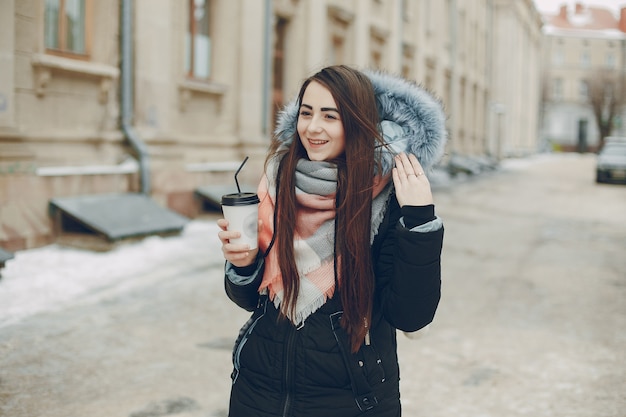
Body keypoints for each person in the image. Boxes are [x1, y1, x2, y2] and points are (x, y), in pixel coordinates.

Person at [217, 65, 446, 417]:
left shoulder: (388, 200)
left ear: (356, 121)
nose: (312, 127)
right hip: (258, 393)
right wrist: (243, 264)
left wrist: (419, 222)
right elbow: (251, 300)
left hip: (350, 400)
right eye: (306, 113)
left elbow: (411, 315)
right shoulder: (277, 185)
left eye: (330, 115)